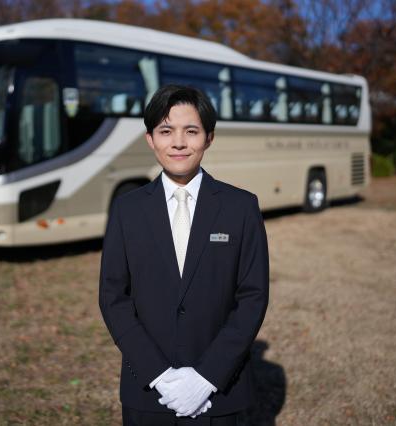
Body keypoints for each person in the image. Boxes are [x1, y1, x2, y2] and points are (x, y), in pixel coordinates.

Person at [99, 85, 269, 425]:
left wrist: (207, 377)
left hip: (221, 394)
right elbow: (113, 297)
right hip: (148, 391)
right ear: (150, 139)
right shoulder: (126, 209)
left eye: (191, 131)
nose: (178, 142)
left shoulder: (241, 207)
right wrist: (159, 374)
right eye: (166, 131)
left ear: (209, 138)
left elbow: (253, 297)